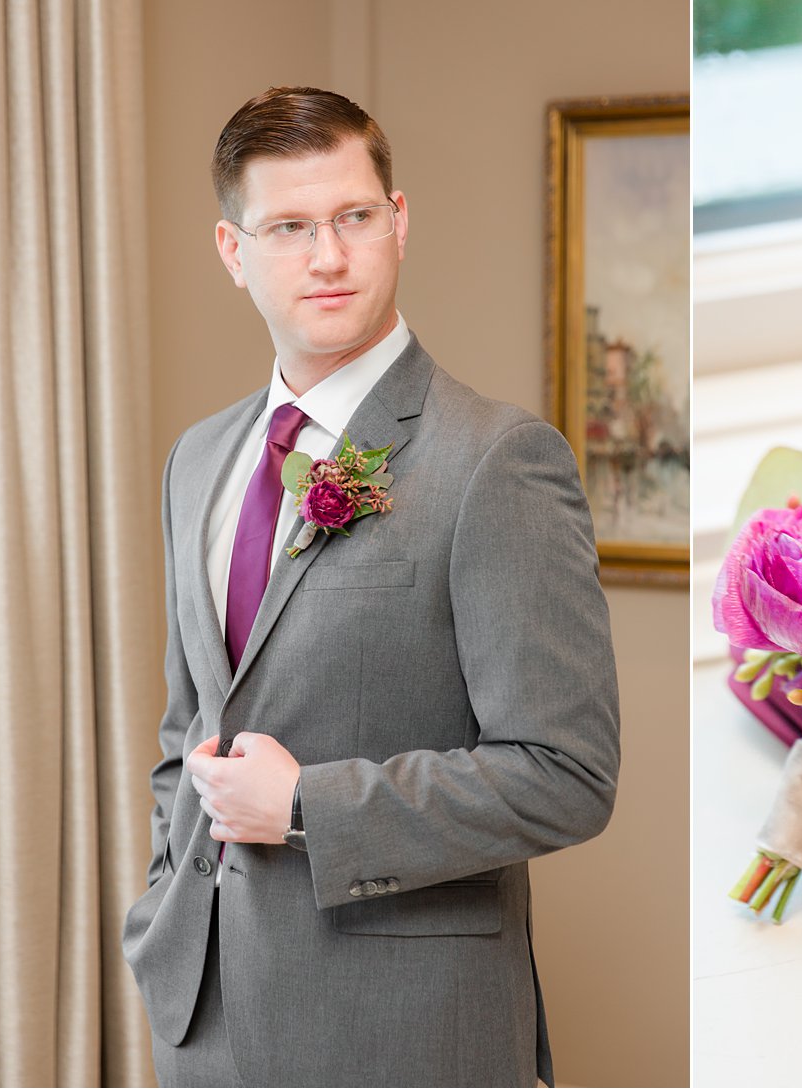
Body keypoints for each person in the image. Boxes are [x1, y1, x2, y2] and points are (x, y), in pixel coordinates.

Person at [121, 87, 620, 1088]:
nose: (328, 255)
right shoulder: (199, 459)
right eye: (289, 227)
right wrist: (163, 909)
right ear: (233, 251)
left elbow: (567, 774)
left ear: (398, 222)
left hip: (400, 1033)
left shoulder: (497, 461)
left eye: (352, 217)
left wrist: (306, 801)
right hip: (202, 1021)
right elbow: (192, 729)